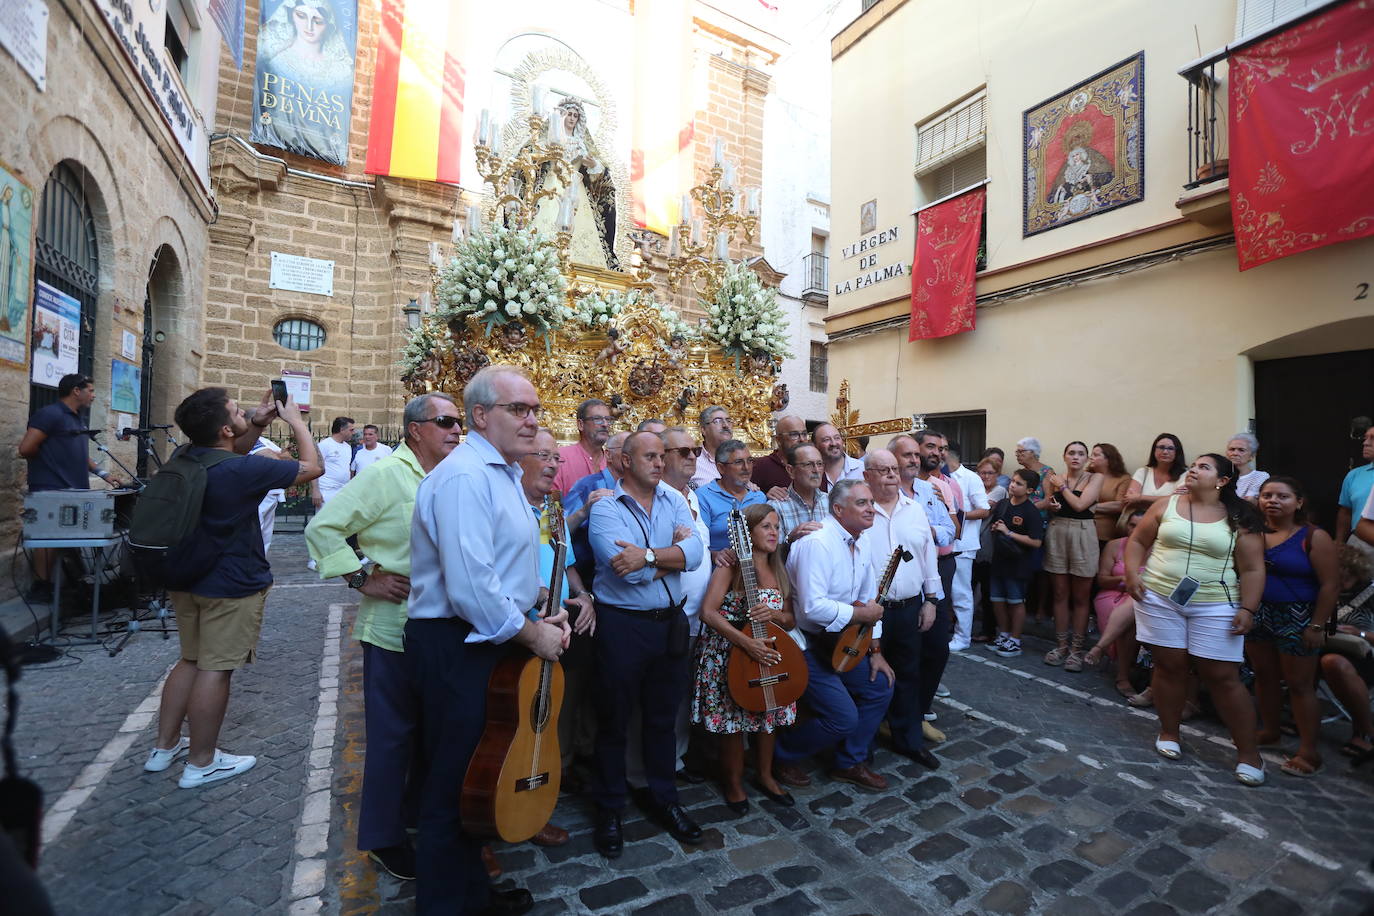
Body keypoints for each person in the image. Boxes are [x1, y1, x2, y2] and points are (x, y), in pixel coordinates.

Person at [405, 365, 569, 914]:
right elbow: (471, 588)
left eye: (534, 409)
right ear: (480, 416)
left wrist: (542, 603)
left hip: (491, 638)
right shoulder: (464, 477)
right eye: (517, 409)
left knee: (482, 773)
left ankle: (471, 894)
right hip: (457, 643)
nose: (531, 421)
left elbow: (503, 563)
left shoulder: (499, 473)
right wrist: (533, 634)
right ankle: (446, 905)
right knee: (454, 780)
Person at [303, 393, 463, 879]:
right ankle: (381, 838)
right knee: (393, 739)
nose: (457, 430)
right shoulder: (386, 474)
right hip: (393, 627)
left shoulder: (449, 475)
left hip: (439, 625)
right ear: (415, 429)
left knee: (429, 736)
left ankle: (414, 815)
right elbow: (324, 528)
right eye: (446, 422)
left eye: (459, 422)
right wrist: (361, 578)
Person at [145, 387, 321, 788]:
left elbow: (231, 449)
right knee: (216, 668)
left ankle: (163, 747)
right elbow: (312, 467)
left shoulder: (187, 457)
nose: (244, 412)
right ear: (226, 429)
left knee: (189, 660)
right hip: (230, 583)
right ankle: (202, 762)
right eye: (237, 412)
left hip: (187, 577)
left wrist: (259, 420)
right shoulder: (244, 470)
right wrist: (294, 421)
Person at [588, 431, 704, 858]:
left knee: (661, 720)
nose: (659, 463)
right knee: (614, 721)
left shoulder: (674, 500)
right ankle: (609, 808)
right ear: (624, 461)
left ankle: (664, 799)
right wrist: (670, 555)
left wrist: (652, 556)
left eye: (661, 456)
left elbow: (696, 554)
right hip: (623, 626)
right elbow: (625, 571)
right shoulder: (606, 510)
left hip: (669, 624)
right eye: (650, 456)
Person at [1124, 453, 1266, 786]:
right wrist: (1132, 573)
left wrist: (1248, 608)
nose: (1194, 470)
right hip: (1158, 598)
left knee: (1221, 675)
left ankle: (1249, 753)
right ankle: (1169, 732)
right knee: (1169, 666)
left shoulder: (1240, 516)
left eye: (1204, 467)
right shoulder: (1165, 505)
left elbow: (1253, 568)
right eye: (1194, 465)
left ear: (1222, 481)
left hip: (1216, 603)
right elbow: (1138, 541)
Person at [775, 479, 894, 790]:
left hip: (845, 641)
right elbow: (812, 609)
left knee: (879, 686)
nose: (871, 509)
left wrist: (875, 650)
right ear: (839, 509)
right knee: (843, 717)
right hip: (807, 643)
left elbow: (870, 600)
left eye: (871, 502)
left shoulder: (862, 539)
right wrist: (860, 615)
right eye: (862, 503)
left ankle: (847, 762)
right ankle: (780, 754)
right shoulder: (817, 543)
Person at [691, 503, 798, 810]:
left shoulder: (780, 567)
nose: (774, 532)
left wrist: (775, 614)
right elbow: (708, 613)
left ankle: (765, 775)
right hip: (730, 652)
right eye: (766, 526)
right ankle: (734, 782)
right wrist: (745, 643)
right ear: (746, 532)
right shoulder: (732, 565)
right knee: (733, 723)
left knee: (769, 717)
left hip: (769, 653)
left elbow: (790, 620)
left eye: (776, 526)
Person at [517, 428, 595, 839]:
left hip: (559, 624)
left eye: (555, 457)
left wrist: (585, 596)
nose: (552, 464)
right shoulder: (506, 504)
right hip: (518, 628)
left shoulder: (552, 508)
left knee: (552, 713)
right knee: (514, 721)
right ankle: (505, 810)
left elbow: (566, 563)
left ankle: (542, 792)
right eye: (541, 455)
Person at [1249, 477, 1338, 777]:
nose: (1273, 500)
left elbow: (1329, 585)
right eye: (1267, 495)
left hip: (1298, 616)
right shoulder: (1253, 532)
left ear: (1298, 502)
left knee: (1300, 686)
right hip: (1260, 612)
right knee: (1264, 676)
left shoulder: (1313, 537)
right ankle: (1271, 730)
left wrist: (1316, 625)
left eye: (1282, 496)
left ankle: (1309, 751)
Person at [864, 450, 942, 770]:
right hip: (870, 611)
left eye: (894, 469)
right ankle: (862, 748)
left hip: (910, 607)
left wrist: (932, 599)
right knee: (868, 677)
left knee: (909, 674)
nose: (892, 475)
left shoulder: (915, 510)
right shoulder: (860, 511)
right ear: (867, 475)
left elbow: (928, 555)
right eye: (883, 470)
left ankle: (908, 740)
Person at [18, 373, 125, 601]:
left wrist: (103, 474)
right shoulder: (50, 414)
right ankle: (40, 586)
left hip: (73, 487)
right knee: (46, 539)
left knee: (60, 539)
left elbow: (80, 454)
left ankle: (59, 583)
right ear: (77, 390)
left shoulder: (77, 418)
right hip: (50, 486)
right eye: (91, 390)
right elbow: (26, 448)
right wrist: (49, 462)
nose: (94, 395)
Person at [253, 0, 355, 165]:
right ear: (291, 14)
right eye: (301, 15)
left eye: (317, 20)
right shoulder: (276, 61)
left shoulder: (340, 72)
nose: (309, 26)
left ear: (328, 24)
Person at [1042, 442, 1105, 671]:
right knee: (1059, 593)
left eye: (1081, 453)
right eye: (1071, 453)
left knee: (1081, 595)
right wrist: (1053, 505)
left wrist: (1062, 488)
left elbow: (1080, 505)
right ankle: (1061, 645)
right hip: (1058, 531)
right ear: (1064, 456)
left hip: (1083, 532)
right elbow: (1050, 504)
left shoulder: (1094, 478)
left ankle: (1077, 649)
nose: (1076, 457)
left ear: (1087, 458)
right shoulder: (1054, 477)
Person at [1084, 510, 1147, 700]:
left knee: (1133, 609)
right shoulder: (1114, 545)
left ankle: (1102, 650)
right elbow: (1102, 580)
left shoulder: (1159, 550)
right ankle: (1123, 677)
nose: (1135, 530)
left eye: (1141, 526)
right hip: (1111, 595)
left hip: (1139, 597)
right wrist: (1126, 578)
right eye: (1132, 525)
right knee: (1129, 616)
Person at [1320, 546, 1374, 759]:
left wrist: (1358, 633)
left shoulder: (1369, 594)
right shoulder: (1324, 586)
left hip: (1362, 654)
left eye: (1345, 578)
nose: (1340, 583)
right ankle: (1300, 718)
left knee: (1333, 662)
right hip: (1322, 645)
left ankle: (1365, 730)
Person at [985, 469, 1046, 658]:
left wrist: (1009, 533)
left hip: (1019, 564)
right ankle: (1003, 634)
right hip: (999, 561)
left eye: (1019, 483)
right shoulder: (1003, 504)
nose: (1013, 485)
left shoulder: (1031, 511)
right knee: (997, 600)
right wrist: (997, 528)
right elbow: (998, 525)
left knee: (1015, 601)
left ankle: (1015, 640)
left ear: (1029, 490)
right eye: (1013, 481)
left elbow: (1036, 541)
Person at [563, 431, 628, 587]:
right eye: (626, 450)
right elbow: (558, 532)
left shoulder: (639, 489)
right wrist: (584, 511)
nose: (631, 456)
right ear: (609, 455)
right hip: (589, 580)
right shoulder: (587, 486)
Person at [943, 440, 989, 652]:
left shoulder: (971, 478)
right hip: (940, 545)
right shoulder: (936, 478)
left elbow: (984, 510)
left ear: (948, 453)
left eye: (939, 449)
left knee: (961, 593)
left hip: (963, 544)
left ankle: (963, 637)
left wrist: (955, 516)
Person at [696, 439, 767, 554]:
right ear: (721, 468)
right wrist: (715, 555)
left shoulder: (759, 497)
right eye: (739, 462)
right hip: (719, 568)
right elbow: (697, 544)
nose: (746, 467)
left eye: (750, 461)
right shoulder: (703, 497)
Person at [768, 443, 829, 552]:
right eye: (809, 464)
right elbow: (769, 556)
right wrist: (790, 539)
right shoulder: (776, 507)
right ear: (791, 470)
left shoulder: (831, 502)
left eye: (819, 464)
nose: (816, 470)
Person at [971, 458, 1006, 645]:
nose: (985, 476)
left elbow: (983, 509)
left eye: (989, 473)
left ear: (997, 475)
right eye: (982, 472)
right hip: (973, 544)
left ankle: (988, 630)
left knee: (987, 590)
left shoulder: (999, 491)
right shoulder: (978, 489)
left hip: (988, 546)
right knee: (969, 587)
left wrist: (961, 512)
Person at [552, 398, 613, 496]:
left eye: (608, 420)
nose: (605, 424)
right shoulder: (561, 457)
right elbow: (551, 505)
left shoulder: (613, 461)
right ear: (581, 424)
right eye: (597, 419)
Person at [1124, 433, 1187, 511]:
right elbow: (1130, 499)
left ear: (1177, 452)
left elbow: (1177, 501)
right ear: (1154, 450)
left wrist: (1140, 497)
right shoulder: (1143, 472)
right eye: (1161, 447)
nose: (1165, 452)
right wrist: (1168, 498)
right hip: (1139, 519)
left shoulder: (1185, 475)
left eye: (1170, 448)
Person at [1336, 424, 1374, 553]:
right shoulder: (1355, 475)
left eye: (1372, 438)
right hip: (1359, 546)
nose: (1365, 443)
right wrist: (1339, 543)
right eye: (1365, 438)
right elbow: (1345, 512)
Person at [1087, 443, 1133, 544]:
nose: (1091, 457)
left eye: (1096, 455)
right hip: (1081, 530)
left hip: (1105, 534)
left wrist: (1088, 506)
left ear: (1109, 460)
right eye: (1091, 454)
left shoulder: (1123, 479)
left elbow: (1120, 505)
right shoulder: (1086, 476)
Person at [752, 415, 807, 494]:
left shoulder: (815, 465)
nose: (802, 439)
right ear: (779, 440)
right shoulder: (762, 466)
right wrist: (765, 496)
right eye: (794, 435)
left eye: (804, 434)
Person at [813, 422, 864, 491]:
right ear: (815, 445)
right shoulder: (812, 473)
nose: (833, 443)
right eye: (826, 440)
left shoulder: (862, 469)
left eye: (837, 438)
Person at [691, 406, 733, 487]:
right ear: (703, 430)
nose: (726, 425)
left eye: (728, 420)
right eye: (717, 421)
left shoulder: (740, 459)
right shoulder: (693, 460)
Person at [1227, 433, 1268, 503]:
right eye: (1232, 449)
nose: (1235, 453)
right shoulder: (1220, 475)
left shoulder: (1259, 476)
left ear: (1252, 456)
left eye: (1241, 450)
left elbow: (1250, 502)